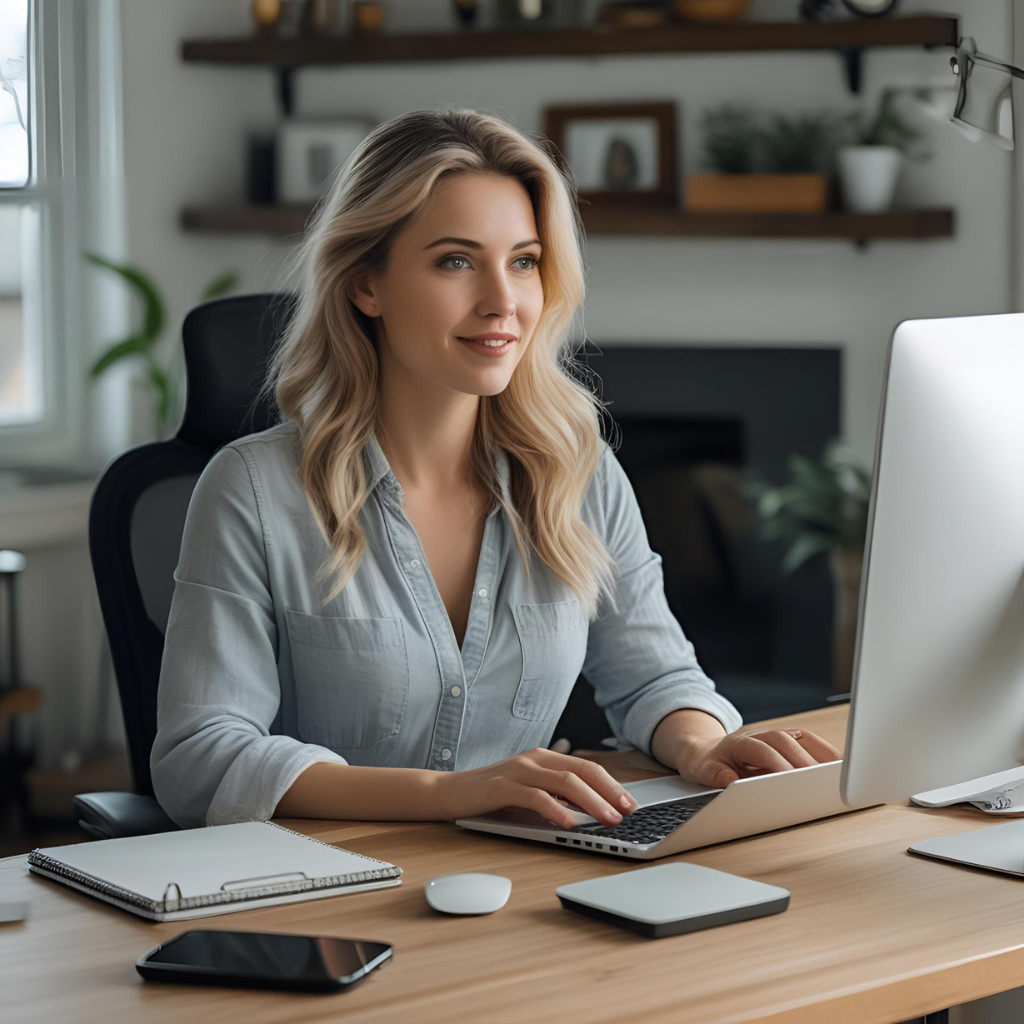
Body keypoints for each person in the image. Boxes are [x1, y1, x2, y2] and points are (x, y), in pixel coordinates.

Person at [150, 106, 840, 832]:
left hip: (525, 880)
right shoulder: (254, 491)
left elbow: (655, 676)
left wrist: (706, 747)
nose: (504, 301)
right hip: (320, 895)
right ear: (366, 286)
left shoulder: (580, 473)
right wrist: (447, 794)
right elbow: (201, 759)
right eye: (455, 260)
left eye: (524, 261)